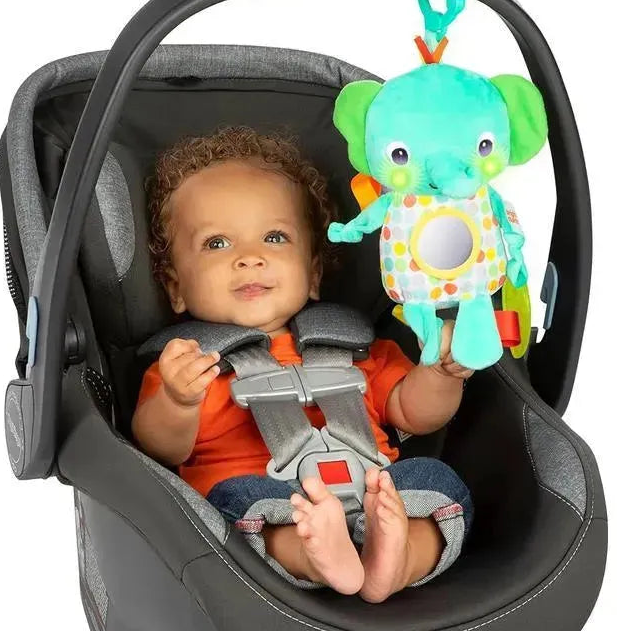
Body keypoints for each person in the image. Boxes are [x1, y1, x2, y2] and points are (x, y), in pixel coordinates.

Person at [132, 126, 474, 602]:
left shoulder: (355, 348)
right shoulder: (190, 366)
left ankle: (394, 561)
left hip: (376, 491)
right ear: (176, 288)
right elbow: (159, 448)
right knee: (234, 507)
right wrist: (177, 400)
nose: (250, 258)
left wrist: (440, 373)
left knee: (439, 484)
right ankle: (316, 555)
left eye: (274, 237)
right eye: (217, 243)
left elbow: (415, 414)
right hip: (270, 502)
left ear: (313, 274)